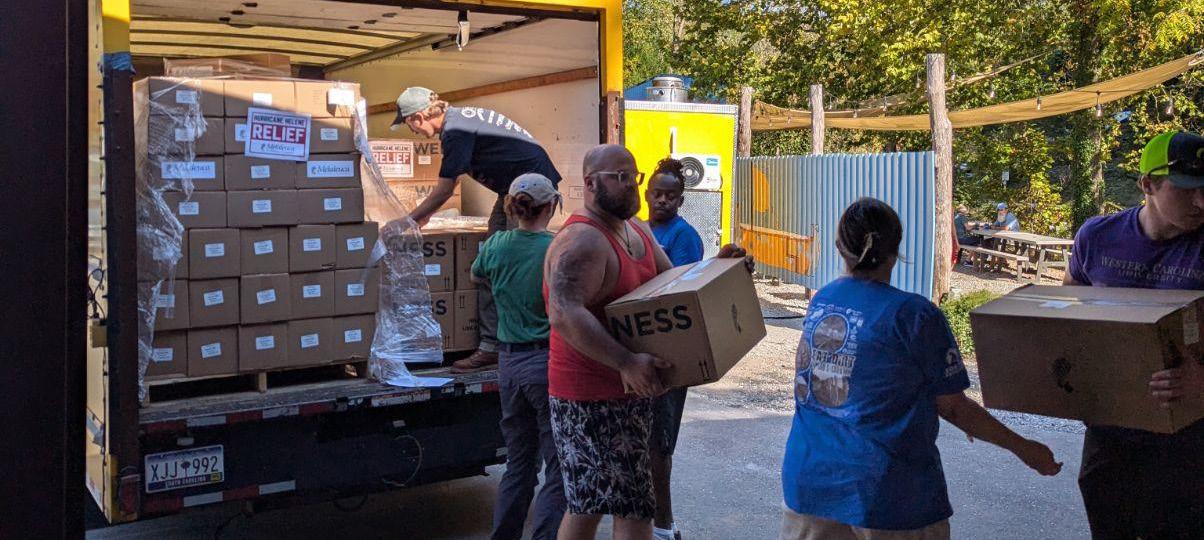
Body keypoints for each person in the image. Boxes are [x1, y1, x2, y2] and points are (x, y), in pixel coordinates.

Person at [780, 197, 1062, 540]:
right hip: (891, 497)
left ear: (839, 246)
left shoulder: (822, 300)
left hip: (809, 485)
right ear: (896, 249)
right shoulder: (915, 315)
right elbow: (955, 408)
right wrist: (1024, 448)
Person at [543, 144, 751, 540]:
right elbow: (564, 312)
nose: (631, 186)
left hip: (628, 392)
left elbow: (671, 284)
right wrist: (625, 361)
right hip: (588, 397)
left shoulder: (635, 229)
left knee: (599, 504)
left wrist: (717, 267)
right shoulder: (582, 241)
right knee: (622, 506)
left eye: (633, 176)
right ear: (590, 183)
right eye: (620, 178)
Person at [1064, 131, 1204, 539]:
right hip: (1112, 428)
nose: (1201, 202)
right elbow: (1068, 315)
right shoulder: (1097, 236)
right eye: (1187, 189)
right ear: (1147, 184)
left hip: (1191, 433)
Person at [389, 86, 563, 374]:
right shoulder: (458, 123)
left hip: (531, 190)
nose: (413, 131)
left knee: (511, 264)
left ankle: (527, 344)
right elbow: (453, 179)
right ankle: (491, 346)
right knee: (492, 261)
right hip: (511, 189)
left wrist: (407, 221)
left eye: (409, 124)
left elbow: (446, 189)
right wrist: (424, 216)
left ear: (418, 117)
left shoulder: (456, 130)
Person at [472, 174, 565, 540]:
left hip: (508, 364)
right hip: (545, 363)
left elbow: (476, 275)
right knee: (558, 468)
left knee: (519, 464)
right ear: (550, 207)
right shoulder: (555, 248)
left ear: (511, 207)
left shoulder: (497, 245)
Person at [643, 157, 705, 540]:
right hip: (637, 351)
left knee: (659, 444)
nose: (663, 200)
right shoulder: (637, 229)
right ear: (647, 194)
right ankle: (646, 520)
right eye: (658, 193)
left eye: (671, 196)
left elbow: (679, 294)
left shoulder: (685, 237)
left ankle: (664, 526)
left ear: (681, 201)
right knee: (638, 442)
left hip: (668, 356)